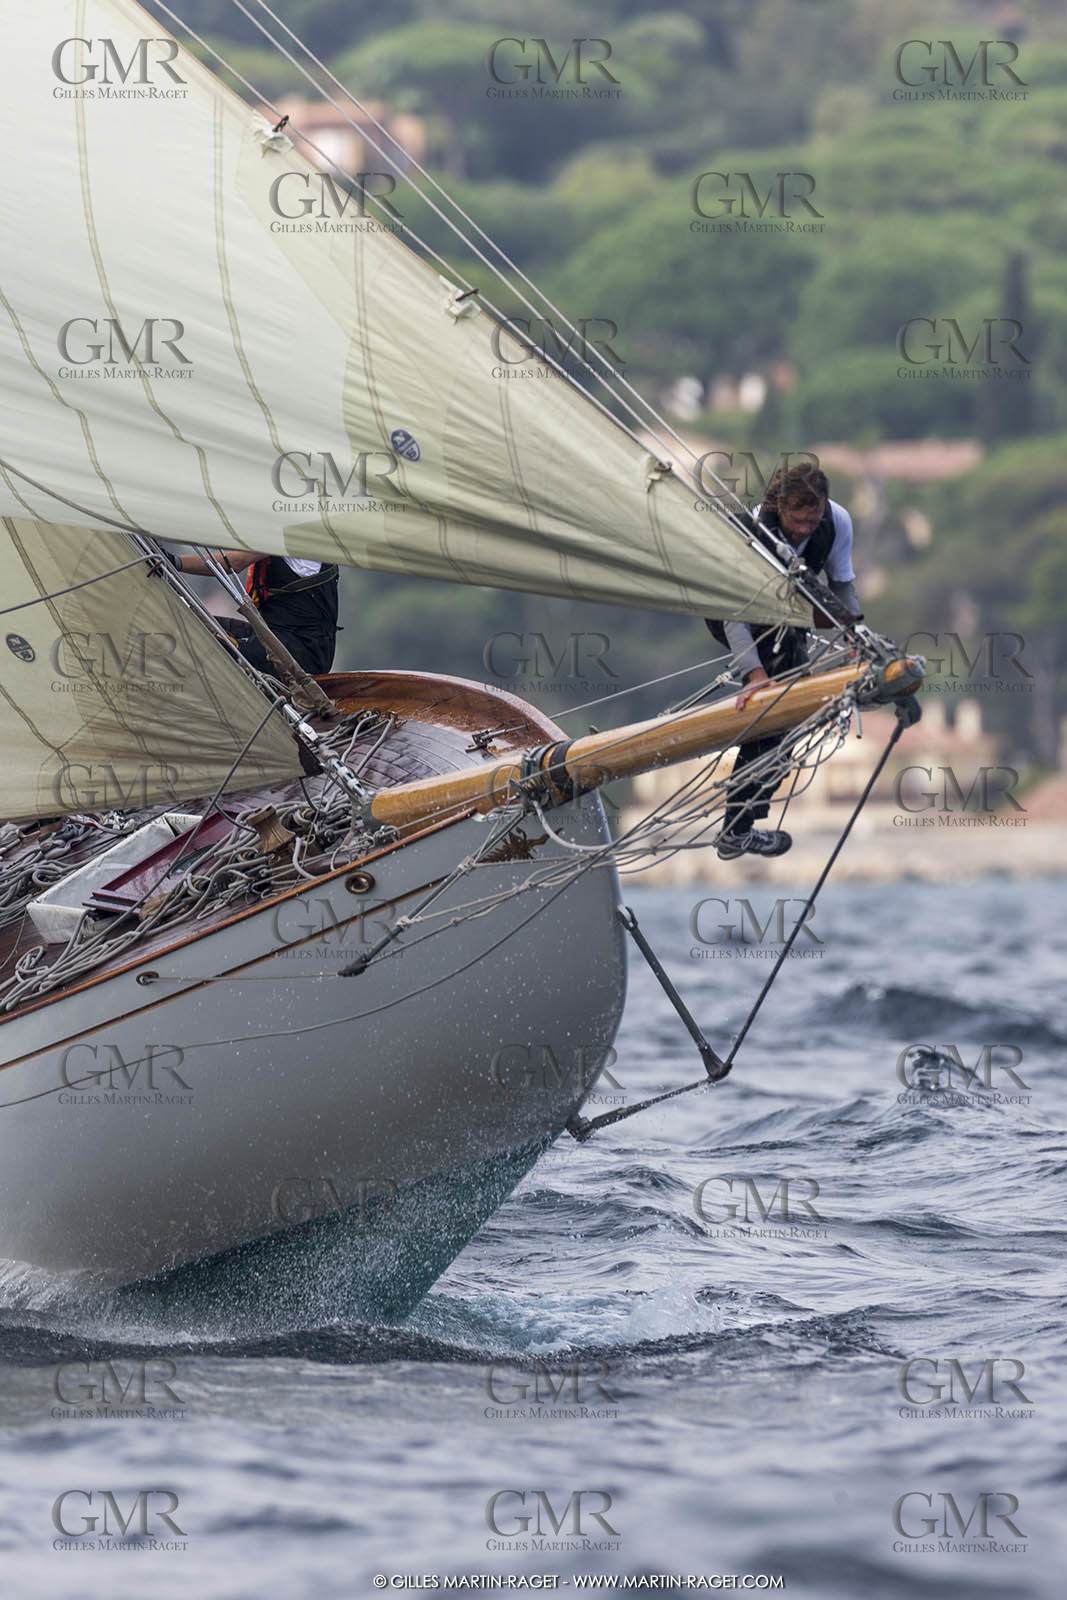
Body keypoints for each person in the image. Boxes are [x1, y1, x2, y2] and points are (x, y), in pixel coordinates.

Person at [706, 461, 861, 860]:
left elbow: (842, 585)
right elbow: (732, 613)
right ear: (778, 504)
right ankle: (736, 829)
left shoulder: (838, 521)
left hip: (792, 606)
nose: (806, 529)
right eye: (798, 520)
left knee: (787, 724)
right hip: (735, 610)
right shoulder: (751, 535)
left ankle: (742, 826)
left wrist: (854, 635)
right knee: (771, 711)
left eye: (813, 520)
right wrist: (753, 675)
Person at [166, 549, 339, 676]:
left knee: (207, 641)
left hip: (299, 655)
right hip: (276, 638)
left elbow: (234, 562)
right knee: (191, 622)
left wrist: (174, 561)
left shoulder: (287, 532)